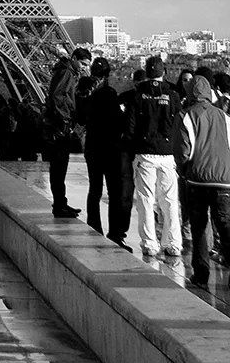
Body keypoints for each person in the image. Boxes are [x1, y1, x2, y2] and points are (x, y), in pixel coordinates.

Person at [174, 74, 230, 290]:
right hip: (224, 179)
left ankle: (201, 273)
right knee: (225, 226)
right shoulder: (224, 116)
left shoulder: (185, 116)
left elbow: (183, 152)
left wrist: (184, 171)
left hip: (197, 180)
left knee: (199, 228)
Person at [124, 54, 182, 260]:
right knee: (170, 201)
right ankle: (173, 243)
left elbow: (130, 127)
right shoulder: (173, 95)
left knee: (146, 201)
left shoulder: (137, 96)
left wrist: (131, 148)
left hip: (145, 152)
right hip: (167, 154)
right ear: (163, 72)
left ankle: (150, 243)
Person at [82, 57, 133, 248]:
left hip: (92, 148)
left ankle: (94, 228)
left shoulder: (88, 95)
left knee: (95, 189)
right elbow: (118, 120)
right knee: (114, 192)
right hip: (110, 149)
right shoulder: (110, 95)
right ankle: (114, 234)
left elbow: (80, 117)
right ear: (107, 75)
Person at [43, 46, 92, 218]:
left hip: (58, 124)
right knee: (59, 166)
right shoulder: (66, 73)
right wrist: (66, 118)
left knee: (60, 167)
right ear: (74, 58)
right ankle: (59, 205)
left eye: (86, 65)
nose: (84, 67)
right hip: (59, 127)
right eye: (83, 63)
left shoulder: (67, 72)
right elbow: (57, 96)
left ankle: (61, 203)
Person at [14, 98, 43, 162]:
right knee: (30, 145)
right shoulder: (32, 110)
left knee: (23, 144)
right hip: (30, 130)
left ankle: (23, 155)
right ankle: (30, 155)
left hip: (22, 130)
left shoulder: (18, 109)